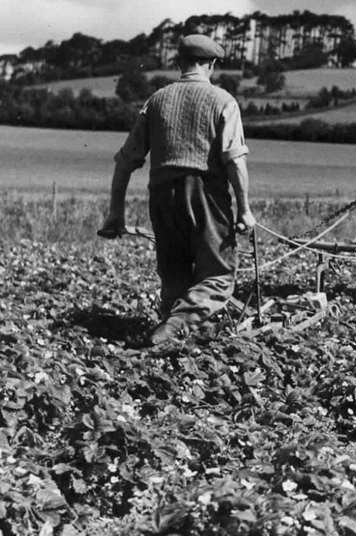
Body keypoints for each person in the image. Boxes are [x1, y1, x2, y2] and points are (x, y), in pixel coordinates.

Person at [98, 33, 255, 346]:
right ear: (211, 65)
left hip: (162, 194)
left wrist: (116, 213)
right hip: (205, 194)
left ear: (179, 63)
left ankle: (165, 337)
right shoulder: (223, 101)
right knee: (217, 276)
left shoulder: (156, 101)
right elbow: (235, 162)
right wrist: (245, 210)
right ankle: (175, 327)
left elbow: (125, 161)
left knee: (174, 273)